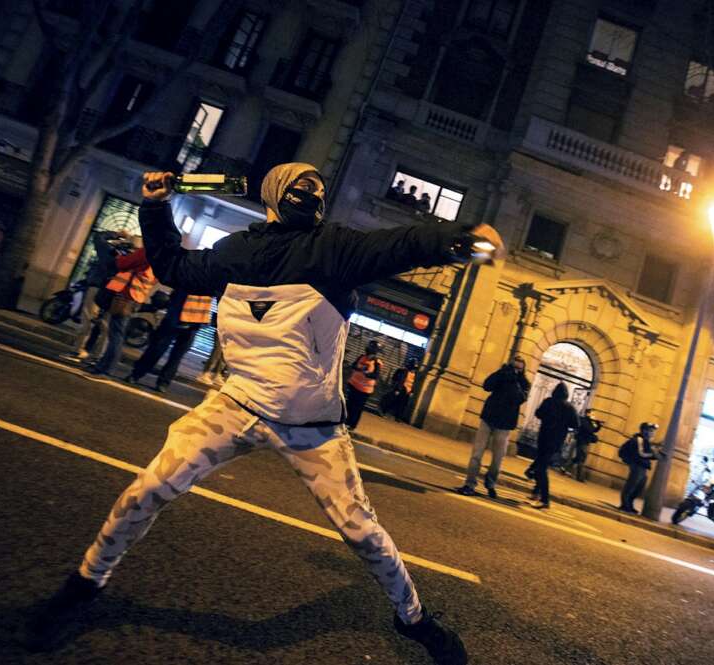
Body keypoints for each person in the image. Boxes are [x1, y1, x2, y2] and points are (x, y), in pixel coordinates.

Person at [28, 163, 504, 663]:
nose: (313, 194)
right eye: (303, 187)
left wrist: (464, 239)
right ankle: (85, 584)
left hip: (313, 428)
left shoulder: (334, 249)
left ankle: (414, 619)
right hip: (236, 405)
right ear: (278, 193)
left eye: (319, 188)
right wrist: (153, 206)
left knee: (362, 531)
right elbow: (173, 268)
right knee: (147, 489)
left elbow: (402, 243)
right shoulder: (238, 250)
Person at [456, 356, 530, 499]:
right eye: (513, 367)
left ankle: (490, 484)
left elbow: (519, 398)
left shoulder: (524, 383)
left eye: (519, 369)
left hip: (504, 424)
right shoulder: (502, 374)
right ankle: (469, 484)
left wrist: (513, 380)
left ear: (522, 370)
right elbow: (487, 385)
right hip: (488, 418)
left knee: (498, 458)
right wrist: (501, 374)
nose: (515, 370)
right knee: (476, 454)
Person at [84, 244, 157, 377]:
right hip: (136, 297)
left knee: (115, 335)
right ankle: (102, 366)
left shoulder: (148, 251)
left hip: (126, 295)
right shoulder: (163, 256)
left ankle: (106, 369)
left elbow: (123, 263)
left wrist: (120, 257)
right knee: (117, 333)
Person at [125, 290, 213, 392]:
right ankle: (140, 375)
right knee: (158, 349)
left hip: (191, 320)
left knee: (173, 354)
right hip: (179, 316)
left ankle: (159, 380)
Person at [64, 230, 130, 361]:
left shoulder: (107, 251)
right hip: (114, 292)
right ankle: (98, 356)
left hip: (97, 288)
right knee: (106, 325)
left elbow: (99, 236)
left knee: (88, 318)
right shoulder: (129, 260)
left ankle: (78, 350)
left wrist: (117, 234)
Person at [528, 383, 578, 510]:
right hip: (556, 441)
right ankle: (537, 493)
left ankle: (544, 499)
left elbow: (538, 414)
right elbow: (576, 424)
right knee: (541, 466)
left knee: (541, 468)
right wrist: (565, 426)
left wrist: (548, 418)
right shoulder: (569, 408)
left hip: (544, 437)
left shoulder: (548, 402)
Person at [618, 422, 661, 514]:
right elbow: (640, 454)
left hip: (643, 467)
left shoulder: (646, 441)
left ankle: (630, 504)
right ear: (644, 431)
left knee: (639, 487)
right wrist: (654, 454)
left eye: (653, 431)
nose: (652, 433)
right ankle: (625, 505)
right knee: (631, 486)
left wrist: (655, 454)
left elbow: (647, 454)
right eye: (650, 431)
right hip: (637, 466)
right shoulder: (639, 439)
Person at [345, 340, 382, 429]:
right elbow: (353, 365)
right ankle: (345, 422)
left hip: (364, 390)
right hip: (353, 385)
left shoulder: (377, 362)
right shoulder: (361, 357)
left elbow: (376, 375)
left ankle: (352, 425)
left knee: (357, 408)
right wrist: (359, 368)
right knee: (349, 405)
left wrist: (367, 373)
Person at [380, 357, 418, 421]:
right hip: (402, 389)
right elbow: (400, 380)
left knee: (403, 404)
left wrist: (412, 391)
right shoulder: (404, 371)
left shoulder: (414, 374)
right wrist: (397, 389)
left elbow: (414, 384)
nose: (414, 370)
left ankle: (398, 417)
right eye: (413, 368)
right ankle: (384, 411)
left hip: (408, 391)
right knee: (394, 401)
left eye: (415, 368)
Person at [569, 408, 601, 482]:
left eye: (594, 414)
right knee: (581, 459)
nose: (594, 416)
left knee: (578, 458)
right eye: (592, 414)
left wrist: (598, 424)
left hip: (586, 442)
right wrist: (594, 423)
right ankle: (580, 477)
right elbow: (589, 429)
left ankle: (565, 467)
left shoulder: (590, 421)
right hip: (582, 441)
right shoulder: (583, 420)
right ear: (588, 413)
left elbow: (595, 430)